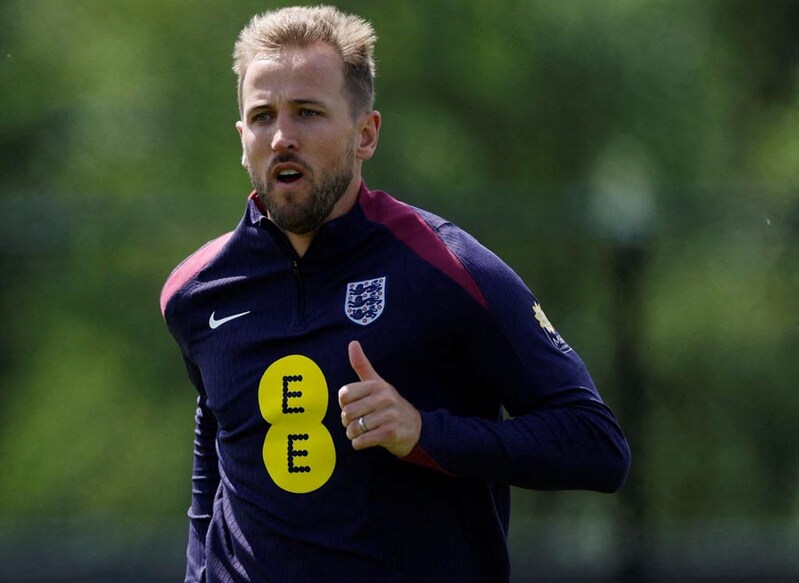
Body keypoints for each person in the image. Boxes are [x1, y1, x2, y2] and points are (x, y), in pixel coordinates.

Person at [159, 5, 630, 582]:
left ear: (366, 135)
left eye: (307, 113)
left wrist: (425, 433)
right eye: (262, 117)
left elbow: (597, 445)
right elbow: (216, 435)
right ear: (242, 139)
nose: (282, 137)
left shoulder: (447, 267)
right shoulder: (195, 290)